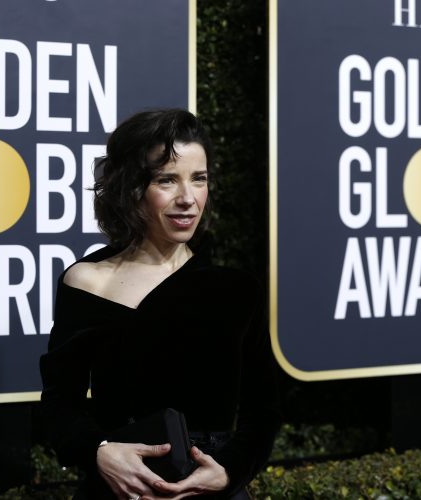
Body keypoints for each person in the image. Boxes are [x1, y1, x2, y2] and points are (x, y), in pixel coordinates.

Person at [40, 109, 280, 500]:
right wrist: (99, 453)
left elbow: (263, 411)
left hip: (210, 490)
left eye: (199, 179)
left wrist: (228, 472)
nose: (187, 199)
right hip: (118, 489)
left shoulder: (235, 290)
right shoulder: (85, 281)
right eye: (167, 180)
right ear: (131, 188)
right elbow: (59, 403)